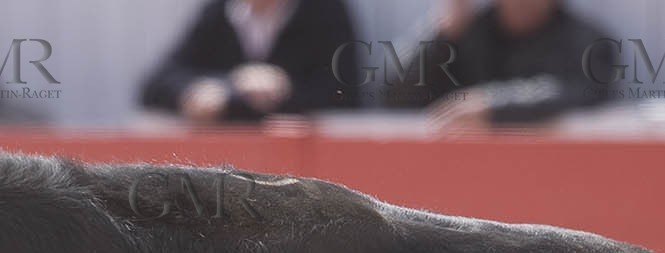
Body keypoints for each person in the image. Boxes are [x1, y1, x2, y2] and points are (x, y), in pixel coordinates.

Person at [385, 0, 612, 128]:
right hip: (468, 173)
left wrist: (493, 104)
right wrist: (442, 36)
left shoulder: (587, 39)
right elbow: (396, 97)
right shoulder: (468, 32)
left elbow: (577, 90)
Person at [140, 0, 360, 122]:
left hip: (302, 168)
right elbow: (155, 84)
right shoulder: (218, 12)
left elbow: (347, 93)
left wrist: (285, 89)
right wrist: (201, 90)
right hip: (225, 165)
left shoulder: (324, 12)